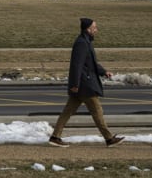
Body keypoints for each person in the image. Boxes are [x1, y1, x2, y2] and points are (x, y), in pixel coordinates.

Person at [48, 18, 124, 148]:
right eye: (94, 28)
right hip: (85, 85)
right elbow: (77, 66)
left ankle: (55, 137)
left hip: (81, 84)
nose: (96, 30)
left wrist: (103, 72)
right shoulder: (82, 43)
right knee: (97, 111)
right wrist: (75, 84)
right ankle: (109, 139)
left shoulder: (86, 41)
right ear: (88, 29)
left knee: (67, 112)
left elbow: (90, 63)